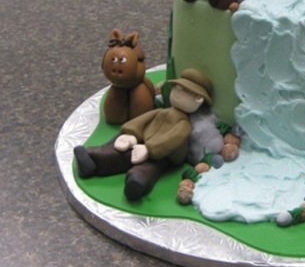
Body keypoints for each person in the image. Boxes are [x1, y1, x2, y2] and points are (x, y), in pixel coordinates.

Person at [73, 68, 213, 201]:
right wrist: (131, 134)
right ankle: (91, 161)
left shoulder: (184, 125)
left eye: (185, 91)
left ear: (198, 99)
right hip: (142, 142)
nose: (178, 92)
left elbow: (171, 140)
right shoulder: (161, 112)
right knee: (122, 154)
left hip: (164, 156)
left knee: (148, 168)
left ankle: (137, 183)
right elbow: (141, 121)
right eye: (178, 87)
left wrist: (149, 149)